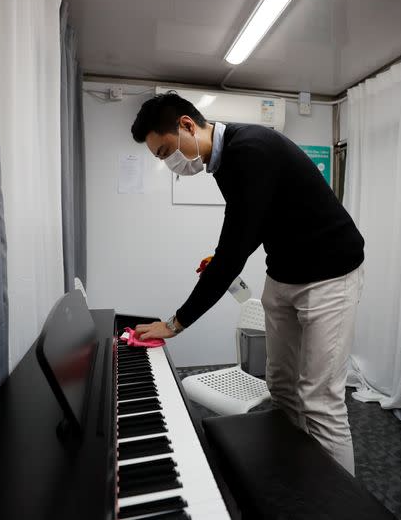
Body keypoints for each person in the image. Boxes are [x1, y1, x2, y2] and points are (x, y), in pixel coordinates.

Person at [130, 92, 365, 476]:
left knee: (320, 399)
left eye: (165, 151)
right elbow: (252, 226)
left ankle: (338, 503)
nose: (170, 163)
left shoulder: (250, 149)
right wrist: (222, 258)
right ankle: (298, 473)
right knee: (282, 386)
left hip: (330, 274)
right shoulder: (223, 161)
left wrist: (176, 323)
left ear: (187, 125)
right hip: (285, 273)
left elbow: (236, 246)